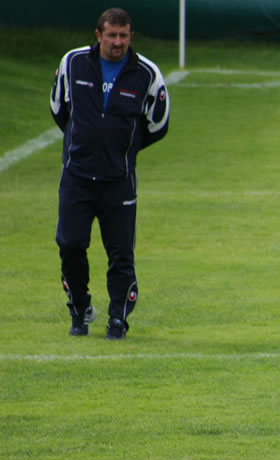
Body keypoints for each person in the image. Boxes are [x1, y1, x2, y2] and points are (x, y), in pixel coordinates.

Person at [50, 8, 169, 339]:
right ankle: (80, 307)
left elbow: (158, 124)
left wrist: (123, 151)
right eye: (112, 35)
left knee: (120, 253)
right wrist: (83, 144)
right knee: (70, 244)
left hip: (118, 180)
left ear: (131, 36)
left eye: (124, 36)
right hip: (76, 176)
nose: (118, 42)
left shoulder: (146, 73)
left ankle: (118, 318)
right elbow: (60, 109)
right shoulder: (72, 63)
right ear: (98, 35)